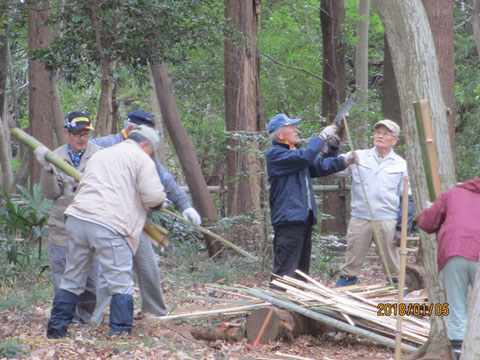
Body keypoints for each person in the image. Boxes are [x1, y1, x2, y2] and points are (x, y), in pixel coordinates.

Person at [46, 125, 166, 338]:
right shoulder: (141, 158)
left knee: (72, 278)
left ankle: (56, 330)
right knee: (120, 282)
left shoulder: (102, 154)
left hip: (77, 218)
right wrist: (159, 203)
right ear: (145, 145)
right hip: (108, 224)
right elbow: (153, 197)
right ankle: (119, 334)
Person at [89, 110, 201, 323]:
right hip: (108, 220)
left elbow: (165, 180)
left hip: (136, 221)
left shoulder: (145, 149)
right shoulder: (103, 145)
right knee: (108, 273)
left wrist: (185, 206)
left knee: (149, 267)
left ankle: (155, 313)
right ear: (130, 129)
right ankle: (97, 319)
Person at [266, 113, 354, 283]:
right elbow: (306, 157)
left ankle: (296, 307)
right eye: (291, 127)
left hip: (302, 219)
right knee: (285, 271)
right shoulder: (275, 154)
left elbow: (319, 167)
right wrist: (321, 137)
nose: (295, 130)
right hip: (289, 219)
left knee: (300, 272)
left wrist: (341, 156)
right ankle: (277, 306)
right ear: (279, 134)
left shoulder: (296, 153)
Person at [33, 112, 102, 323]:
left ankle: (87, 318)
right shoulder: (56, 156)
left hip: (92, 225)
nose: (82, 138)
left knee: (92, 280)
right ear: (66, 133)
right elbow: (51, 194)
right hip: (62, 226)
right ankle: (67, 319)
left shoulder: (100, 155)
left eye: (85, 134)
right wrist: (48, 170)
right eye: (76, 134)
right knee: (63, 277)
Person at [336, 119, 414, 287]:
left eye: (385, 134)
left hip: (387, 221)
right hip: (359, 218)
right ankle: (343, 294)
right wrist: (334, 150)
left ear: (394, 140)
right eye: (378, 132)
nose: (380, 136)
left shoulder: (401, 164)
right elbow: (333, 168)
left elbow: (407, 198)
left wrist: (403, 227)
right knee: (351, 261)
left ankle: (397, 297)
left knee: (393, 263)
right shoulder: (358, 156)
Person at [417, 179, 480, 358]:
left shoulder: (452, 194)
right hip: (477, 253)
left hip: (453, 253)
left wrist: (431, 208)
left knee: (456, 305)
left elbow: (426, 223)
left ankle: (459, 353)